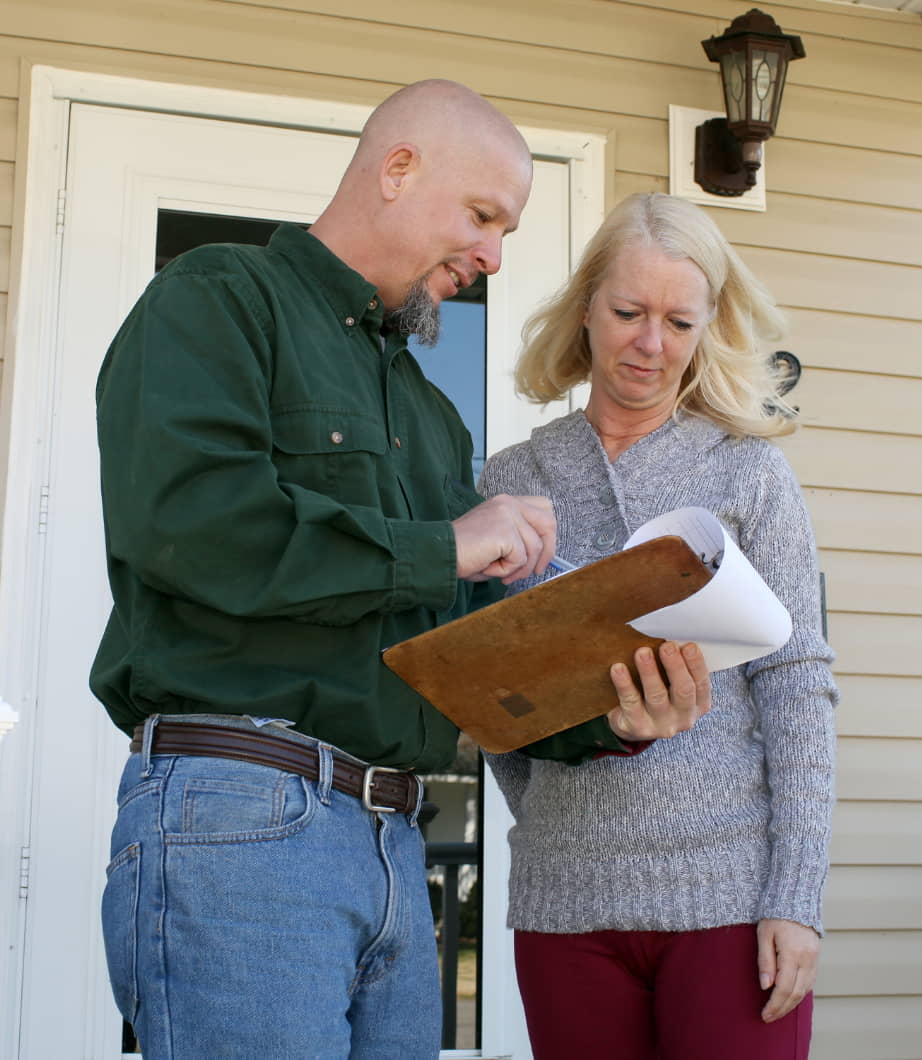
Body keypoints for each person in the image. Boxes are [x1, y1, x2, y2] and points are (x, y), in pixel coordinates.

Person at [90, 84, 711, 1060]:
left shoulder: (429, 417)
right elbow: (193, 527)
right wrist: (449, 544)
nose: (494, 255)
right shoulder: (220, 300)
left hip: (389, 838)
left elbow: (457, 650)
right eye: (482, 216)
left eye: (507, 230)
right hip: (238, 813)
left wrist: (613, 709)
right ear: (396, 169)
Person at [478, 192, 838, 1060]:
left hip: (732, 899)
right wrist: (549, 819)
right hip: (567, 902)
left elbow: (798, 685)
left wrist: (794, 895)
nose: (650, 344)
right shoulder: (514, 478)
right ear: (587, 309)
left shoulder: (751, 474)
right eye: (629, 313)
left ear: (708, 326)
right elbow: (494, 699)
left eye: (679, 321)